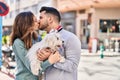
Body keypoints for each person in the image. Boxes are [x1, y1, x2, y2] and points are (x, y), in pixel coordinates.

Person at [10, 11, 61, 80]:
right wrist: (50, 61)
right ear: (27, 24)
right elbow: (33, 68)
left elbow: (42, 58)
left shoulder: (37, 38)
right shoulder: (18, 42)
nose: (38, 22)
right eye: (35, 21)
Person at [37, 6, 81, 80]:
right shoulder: (43, 40)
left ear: (50, 19)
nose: (38, 21)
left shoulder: (71, 38)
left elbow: (72, 66)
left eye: (41, 18)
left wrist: (51, 59)